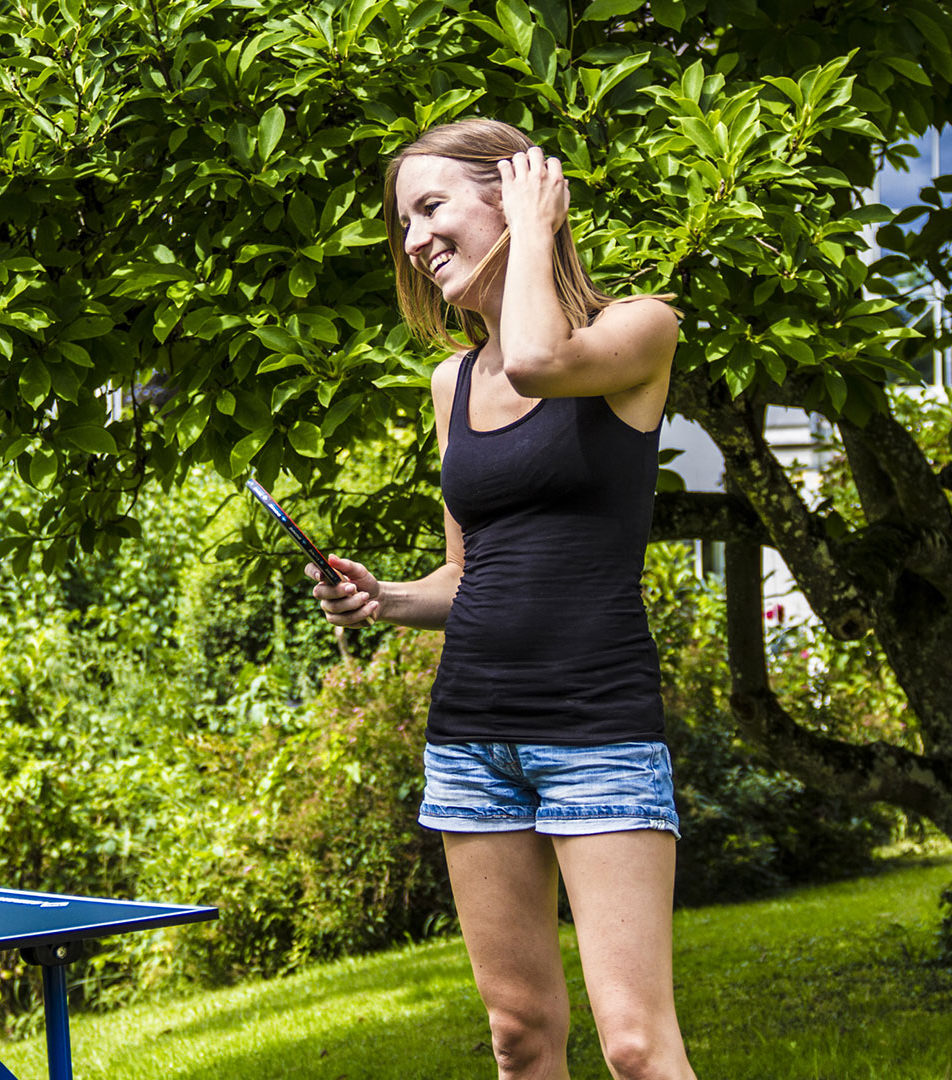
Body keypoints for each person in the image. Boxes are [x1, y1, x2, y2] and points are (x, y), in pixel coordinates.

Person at [307, 118, 696, 1080]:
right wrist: (386, 599)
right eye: (404, 222)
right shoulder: (451, 383)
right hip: (473, 739)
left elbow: (535, 360)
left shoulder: (638, 330)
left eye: (431, 208)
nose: (414, 241)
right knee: (518, 1040)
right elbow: (467, 573)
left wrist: (533, 228)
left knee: (639, 1049)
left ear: (521, 195)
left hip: (597, 731)